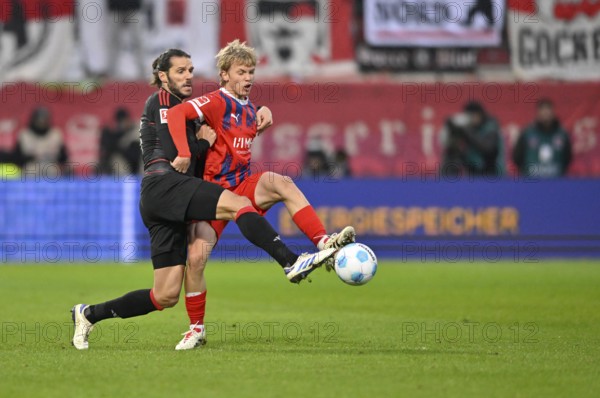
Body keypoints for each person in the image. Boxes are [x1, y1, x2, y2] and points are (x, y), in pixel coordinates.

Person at [70, 49, 337, 350]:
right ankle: (290, 262)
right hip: (165, 186)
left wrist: (259, 107)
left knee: (166, 294)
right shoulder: (162, 102)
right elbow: (177, 151)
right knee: (239, 205)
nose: (188, 76)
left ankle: (88, 314)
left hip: (171, 197)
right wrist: (196, 145)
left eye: (190, 70)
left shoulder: (189, 104)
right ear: (162, 76)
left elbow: (227, 108)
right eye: (180, 71)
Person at [167, 40, 355, 350]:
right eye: (241, 72)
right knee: (196, 260)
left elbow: (237, 141)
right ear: (224, 75)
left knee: (281, 182)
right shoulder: (215, 101)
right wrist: (185, 153)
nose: (249, 78)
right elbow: (176, 115)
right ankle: (196, 329)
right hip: (212, 194)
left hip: (241, 185)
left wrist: (262, 118)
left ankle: (324, 244)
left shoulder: (250, 109)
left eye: (252, 72)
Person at [440, 101, 505, 178]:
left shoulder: (491, 128)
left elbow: (487, 148)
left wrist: (467, 131)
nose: (470, 119)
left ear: (479, 114)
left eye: (471, 116)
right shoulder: (472, 129)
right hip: (474, 174)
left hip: (493, 175)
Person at [512, 99, 572, 178]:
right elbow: (517, 156)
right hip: (531, 182)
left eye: (548, 110)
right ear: (538, 113)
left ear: (553, 112)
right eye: (543, 110)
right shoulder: (527, 133)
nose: (546, 113)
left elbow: (567, 157)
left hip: (556, 181)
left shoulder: (561, 134)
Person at [13, 106, 70, 177]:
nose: (41, 122)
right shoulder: (24, 135)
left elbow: (64, 158)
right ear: (33, 119)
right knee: (31, 171)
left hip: (51, 169)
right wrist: (30, 157)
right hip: (30, 170)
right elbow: (16, 158)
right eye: (39, 119)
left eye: (44, 120)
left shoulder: (56, 134)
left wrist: (53, 157)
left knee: (52, 171)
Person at [98, 107, 141, 175]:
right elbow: (108, 151)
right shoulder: (111, 133)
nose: (125, 123)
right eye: (122, 121)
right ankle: (123, 184)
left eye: (126, 120)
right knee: (117, 160)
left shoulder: (135, 130)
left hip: (135, 163)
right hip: (120, 164)